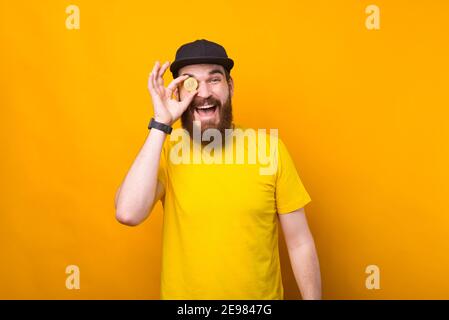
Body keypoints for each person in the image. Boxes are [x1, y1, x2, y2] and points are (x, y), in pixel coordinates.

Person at [114, 39, 321, 300]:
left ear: (230, 87)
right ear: (177, 94)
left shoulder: (270, 150)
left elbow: (300, 242)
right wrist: (160, 124)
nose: (203, 93)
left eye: (214, 80)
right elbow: (127, 212)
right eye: (190, 82)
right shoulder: (166, 151)